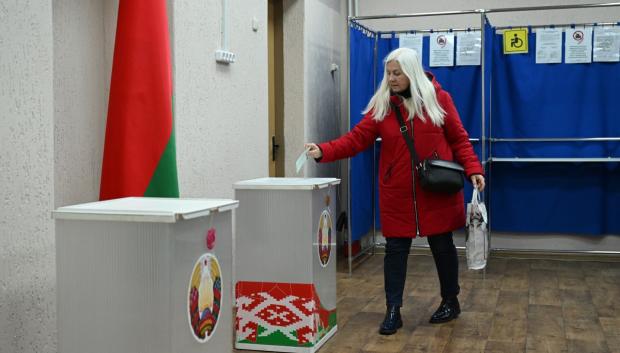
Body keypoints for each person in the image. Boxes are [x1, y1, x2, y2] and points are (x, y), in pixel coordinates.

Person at [305, 47, 485, 335]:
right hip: (397, 192)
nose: (391, 78)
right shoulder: (384, 105)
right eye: (388, 73)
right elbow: (356, 139)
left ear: (411, 72)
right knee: (395, 250)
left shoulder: (439, 100)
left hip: (435, 189)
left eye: (397, 73)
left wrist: (474, 169)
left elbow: (460, 138)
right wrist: (322, 151)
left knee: (443, 246)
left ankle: (451, 301)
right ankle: (393, 310)